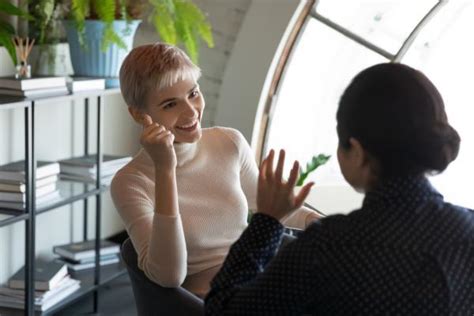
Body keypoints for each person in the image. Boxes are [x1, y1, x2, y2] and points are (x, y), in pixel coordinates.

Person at [205, 63, 474, 315]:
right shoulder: (468, 229)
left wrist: (267, 222)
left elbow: (222, 310)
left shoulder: (328, 248)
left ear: (356, 152)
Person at [110, 43, 321, 305]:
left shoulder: (229, 142)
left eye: (193, 93)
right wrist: (165, 168)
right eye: (170, 104)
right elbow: (169, 276)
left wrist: (317, 221)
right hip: (213, 303)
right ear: (140, 114)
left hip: (262, 282)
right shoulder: (130, 182)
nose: (191, 111)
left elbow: (267, 205)